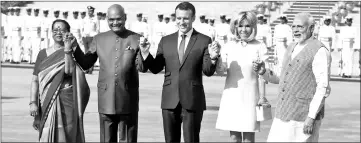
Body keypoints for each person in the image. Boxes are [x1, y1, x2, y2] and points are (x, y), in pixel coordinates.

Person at [71, 4, 153, 142]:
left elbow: (142, 68)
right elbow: (86, 63)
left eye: (118, 19)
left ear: (125, 18)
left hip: (128, 97)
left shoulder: (136, 38)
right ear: (107, 19)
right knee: (106, 138)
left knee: (127, 138)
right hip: (106, 97)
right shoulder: (99, 39)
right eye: (111, 19)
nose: (115, 22)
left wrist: (145, 53)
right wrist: (74, 46)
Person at [147, 2, 220, 142]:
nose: (181, 22)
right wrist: (145, 54)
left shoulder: (204, 41)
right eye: (178, 18)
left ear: (193, 18)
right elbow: (156, 68)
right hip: (169, 100)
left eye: (186, 18)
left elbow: (208, 71)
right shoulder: (166, 41)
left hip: (192, 100)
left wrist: (213, 57)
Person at [253, 12, 331, 142]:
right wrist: (264, 72)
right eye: (293, 26)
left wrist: (311, 117)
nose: (295, 30)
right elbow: (281, 76)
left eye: (300, 27)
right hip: (283, 113)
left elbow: (322, 88)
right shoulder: (291, 47)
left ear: (311, 28)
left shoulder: (320, 51)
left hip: (303, 117)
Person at [29, 19, 90, 142]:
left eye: (62, 30)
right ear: (51, 32)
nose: (58, 32)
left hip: (66, 100)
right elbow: (35, 80)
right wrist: (33, 102)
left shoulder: (72, 52)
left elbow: (69, 71)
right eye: (55, 30)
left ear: (68, 33)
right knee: (47, 133)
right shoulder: (42, 54)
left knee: (66, 133)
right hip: (47, 100)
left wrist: (68, 49)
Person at [215, 11, 268, 142]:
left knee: (249, 138)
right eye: (240, 26)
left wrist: (262, 96)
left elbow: (264, 75)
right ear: (235, 27)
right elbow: (221, 71)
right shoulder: (229, 46)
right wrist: (215, 57)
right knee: (234, 138)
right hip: (232, 95)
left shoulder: (260, 46)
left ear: (253, 27)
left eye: (247, 26)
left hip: (251, 97)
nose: (243, 29)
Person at [81, 6, 99, 74]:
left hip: (92, 37)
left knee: (91, 53)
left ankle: (91, 69)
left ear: (93, 11)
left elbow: (97, 29)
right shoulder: (85, 19)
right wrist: (82, 36)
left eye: (91, 11)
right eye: (88, 11)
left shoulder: (95, 19)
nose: (89, 12)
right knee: (86, 53)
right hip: (85, 37)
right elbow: (82, 29)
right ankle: (86, 68)